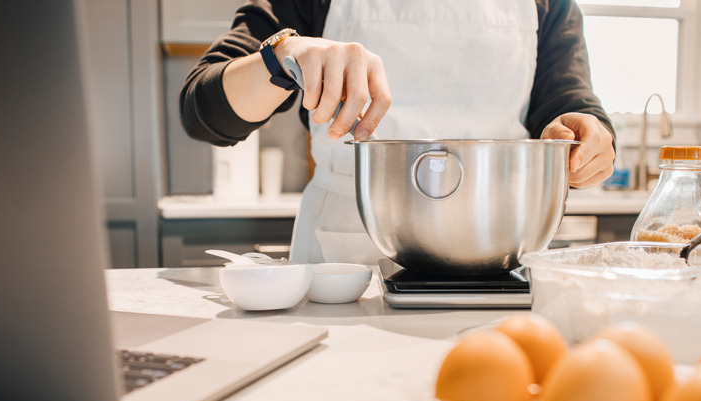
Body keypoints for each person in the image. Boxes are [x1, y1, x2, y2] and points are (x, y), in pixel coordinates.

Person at [180, 0, 616, 265]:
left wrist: (589, 134)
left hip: (497, 244)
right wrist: (285, 53)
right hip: (348, 248)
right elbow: (203, 112)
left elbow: (569, 101)